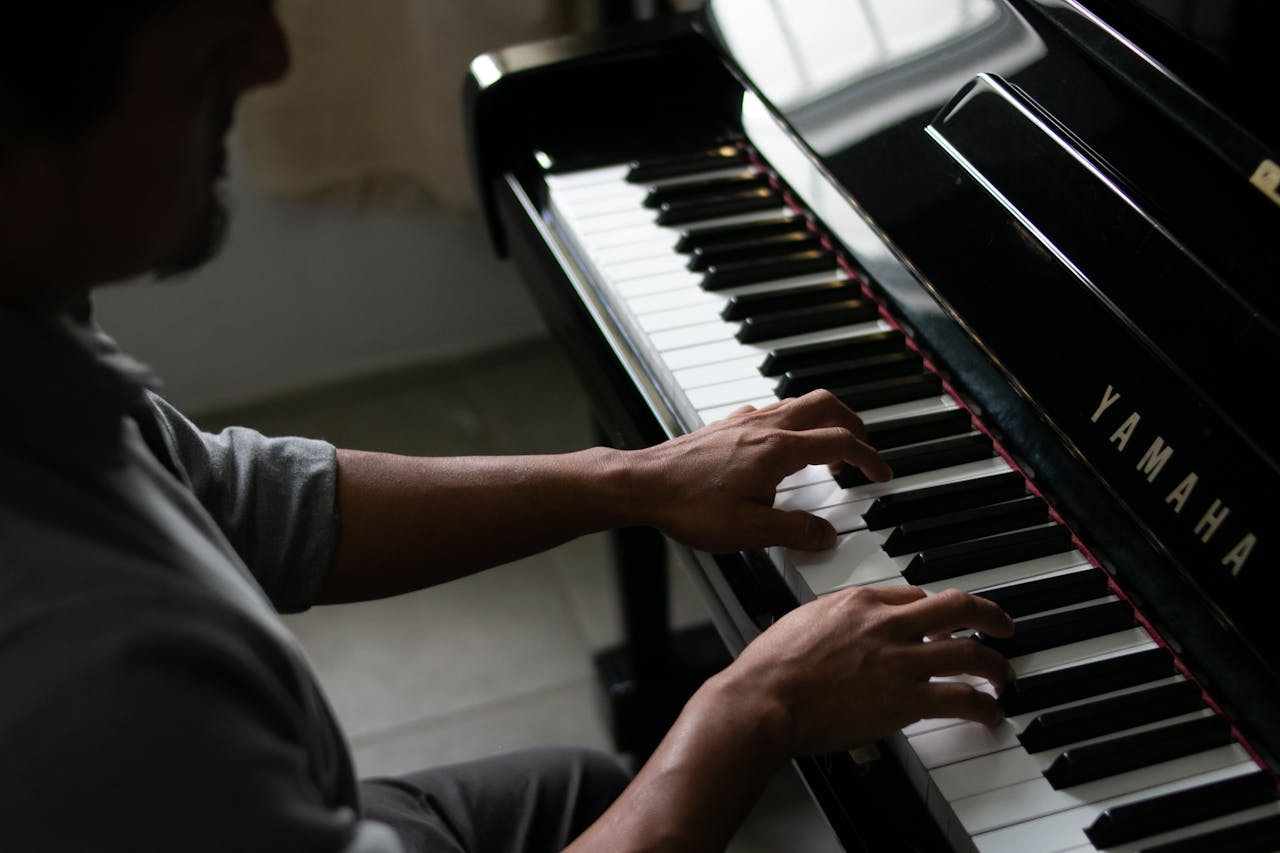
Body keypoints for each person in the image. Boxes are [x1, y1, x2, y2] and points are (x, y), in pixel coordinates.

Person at [0, 2, 1015, 851]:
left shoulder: (30, 333)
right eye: (211, 41)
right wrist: (756, 707)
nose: (271, 58)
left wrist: (630, 479)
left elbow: (236, 499)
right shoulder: (92, 680)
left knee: (571, 787)